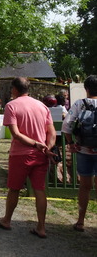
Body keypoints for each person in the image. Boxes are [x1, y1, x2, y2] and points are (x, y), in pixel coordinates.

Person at [0, 77, 56, 239]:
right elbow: (52, 133)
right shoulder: (42, 106)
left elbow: (16, 134)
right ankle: (41, 227)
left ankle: (7, 220)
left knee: (14, 188)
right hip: (41, 155)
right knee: (40, 190)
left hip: (21, 154)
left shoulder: (11, 106)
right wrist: (46, 148)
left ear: (14, 89)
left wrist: (35, 144)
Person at [61, 75, 97, 232]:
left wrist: (70, 143)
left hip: (83, 150)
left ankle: (81, 221)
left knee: (85, 186)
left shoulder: (79, 104)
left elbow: (66, 125)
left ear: (86, 89)